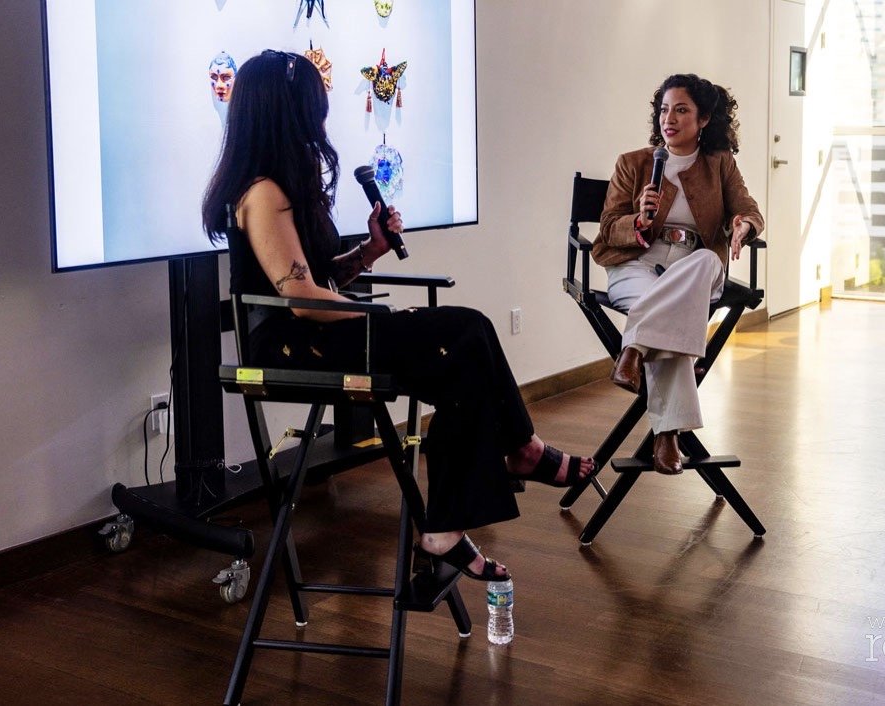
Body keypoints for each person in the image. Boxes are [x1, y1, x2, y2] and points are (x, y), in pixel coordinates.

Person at [202, 50, 593, 581]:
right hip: (289, 343)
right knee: (463, 333)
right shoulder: (264, 193)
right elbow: (299, 301)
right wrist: (376, 318)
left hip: (315, 330)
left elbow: (316, 282)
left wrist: (370, 251)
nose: (321, 120)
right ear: (286, 111)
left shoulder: (281, 185)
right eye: (313, 108)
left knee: (465, 344)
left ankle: (469, 504)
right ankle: (512, 460)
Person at [592, 73, 764, 474]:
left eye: (681, 110)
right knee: (670, 317)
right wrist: (637, 219)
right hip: (637, 263)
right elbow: (607, 227)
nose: (669, 118)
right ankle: (667, 435)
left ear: (703, 119)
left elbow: (749, 209)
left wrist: (743, 226)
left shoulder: (720, 164)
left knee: (707, 262)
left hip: (692, 268)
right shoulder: (633, 164)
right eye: (664, 110)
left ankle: (633, 348)